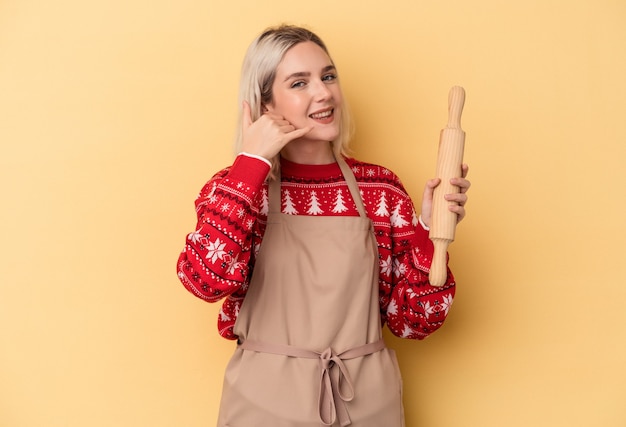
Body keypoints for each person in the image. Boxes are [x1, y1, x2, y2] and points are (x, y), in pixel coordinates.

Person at [176, 24, 470, 427]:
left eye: (328, 76)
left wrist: (428, 235)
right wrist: (251, 165)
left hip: (367, 404)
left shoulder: (379, 190)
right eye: (300, 83)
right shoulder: (240, 189)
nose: (324, 93)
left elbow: (414, 321)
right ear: (265, 105)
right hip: (263, 407)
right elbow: (203, 280)